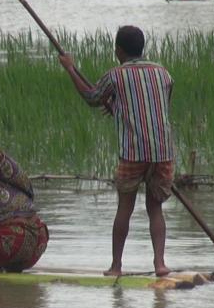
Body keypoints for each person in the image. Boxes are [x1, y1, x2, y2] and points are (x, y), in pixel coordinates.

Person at [58, 25, 175, 277]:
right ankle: (160, 264)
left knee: (125, 208)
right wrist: (118, 107)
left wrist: (70, 68)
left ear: (118, 51)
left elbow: (91, 97)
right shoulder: (163, 73)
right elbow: (158, 107)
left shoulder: (116, 75)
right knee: (156, 209)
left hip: (133, 151)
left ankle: (116, 266)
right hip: (163, 151)